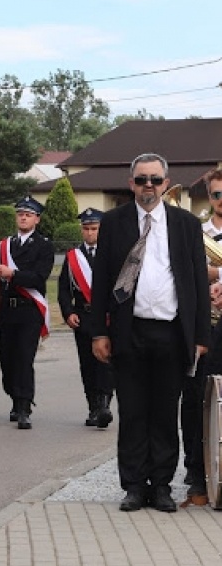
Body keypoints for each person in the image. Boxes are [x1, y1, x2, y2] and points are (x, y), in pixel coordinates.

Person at [90, 152, 211, 513]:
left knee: (163, 413)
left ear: (165, 183)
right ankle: (133, 486)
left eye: (155, 180)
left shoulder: (186, 224)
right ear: (131, 183)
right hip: (130, 331)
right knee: (132, 412)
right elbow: (101, 283)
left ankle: (160, 486)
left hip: (172, 333)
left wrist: (200, 336)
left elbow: (196, 287)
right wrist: (99, 331)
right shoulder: (113, 222)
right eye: (142, 179)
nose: (148, 186)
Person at [179, 168, 222, 504]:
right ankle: (196, 476)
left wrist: (219, 274)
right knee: (195, 398)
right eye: (217, 194)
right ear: (209, 195)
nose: (221, 201)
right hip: (205, 325)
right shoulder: (195, 230)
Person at [0, 196, 55, 429]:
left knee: (23, 359)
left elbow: (39, 277)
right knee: (6, 358)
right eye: (20, 214)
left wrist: (13, 274)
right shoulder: (5, 245)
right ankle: (14, 395)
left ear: (37, 219)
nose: (23, 217)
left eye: (28, 214)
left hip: (29, 309)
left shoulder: (44, 245)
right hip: (8, 310)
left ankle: (24, 406)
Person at [57, 208, 114, 429]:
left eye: (94, 229)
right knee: (88, 363)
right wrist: (68, 312)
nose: (90, 233)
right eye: (86, 229)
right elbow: (63, 289)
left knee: (107, 362)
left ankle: (104, 404)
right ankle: (93, 406)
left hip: (107, 316)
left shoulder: (111, 253)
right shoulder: (73, 257)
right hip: (84, 315)